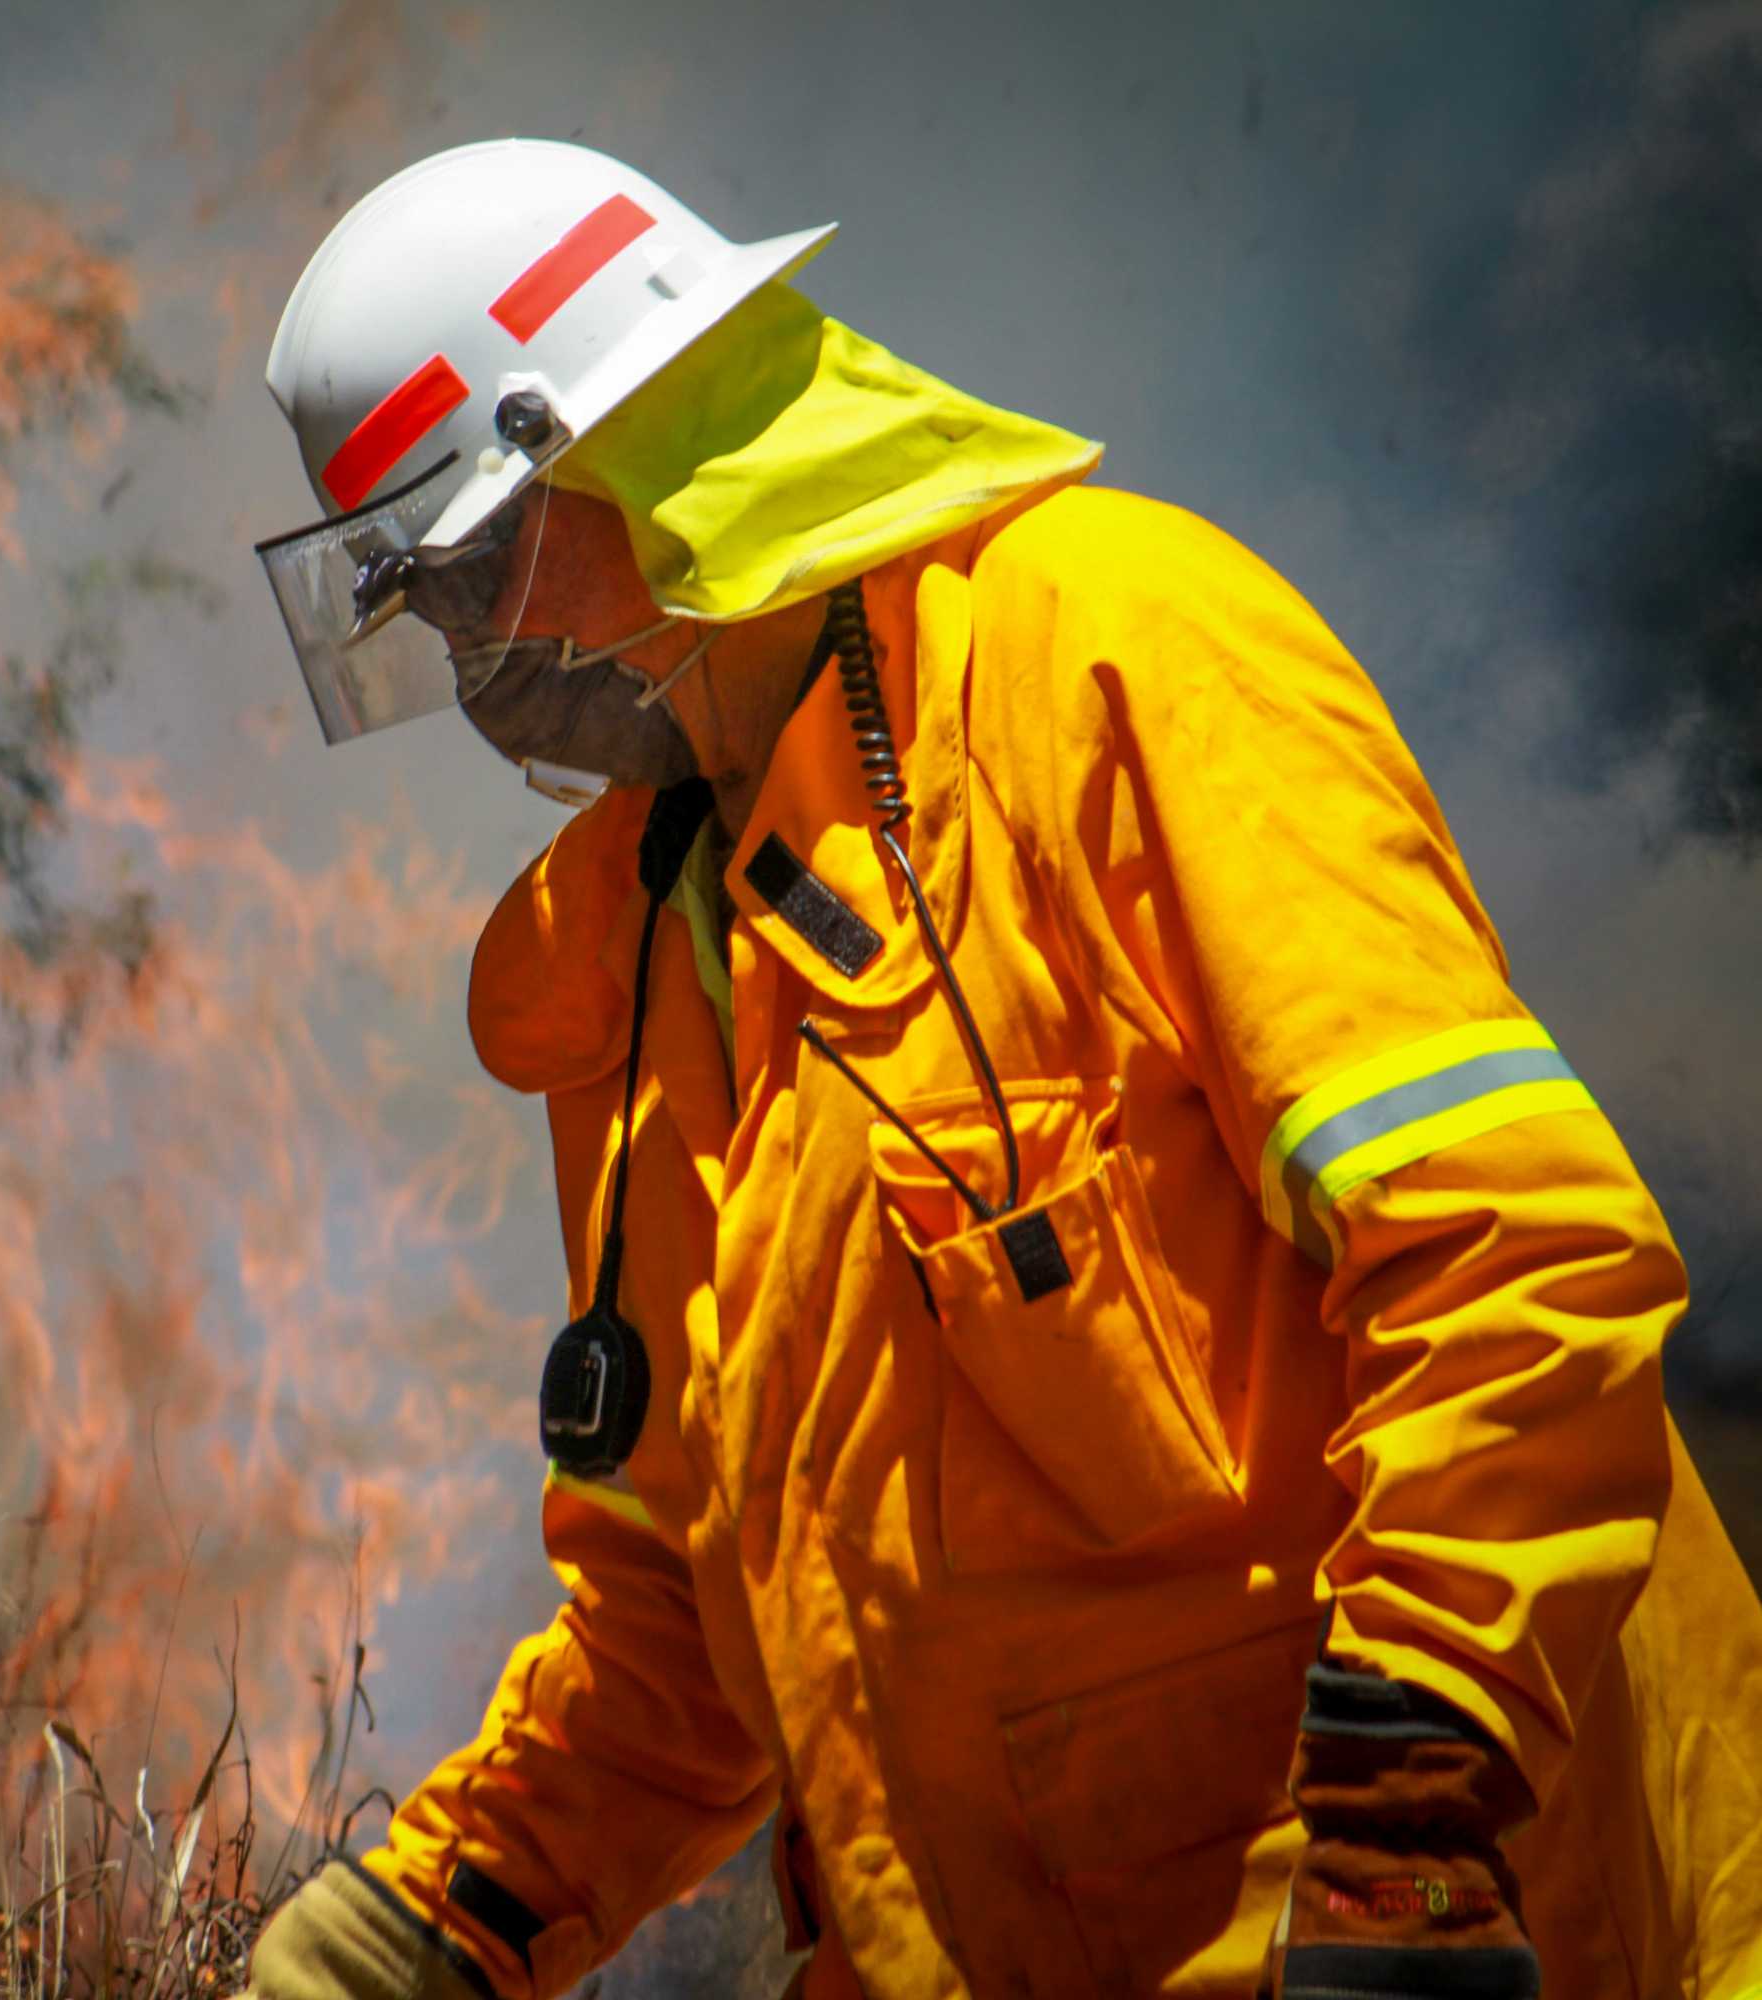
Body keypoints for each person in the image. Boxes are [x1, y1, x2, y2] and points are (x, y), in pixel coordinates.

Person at [239, 139, 1762, 2000]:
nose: (477, 660)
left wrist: (1407, 1840)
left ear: (639, 453)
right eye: (429, 614)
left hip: (1460, 1938)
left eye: (476, 573)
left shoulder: (1114, 658)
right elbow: (681, 1636)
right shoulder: (638, 964)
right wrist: (432, 1927)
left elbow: (1515, 1261)